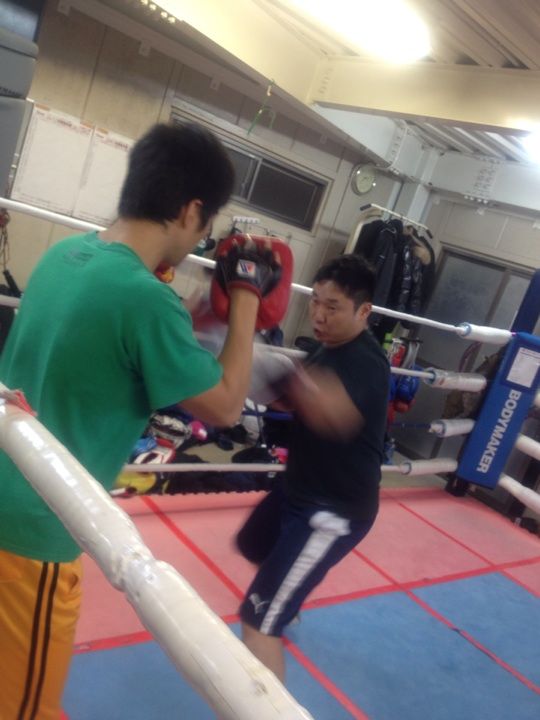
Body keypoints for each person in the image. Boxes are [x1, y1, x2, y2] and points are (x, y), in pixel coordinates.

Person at [0, 122, 281, 719]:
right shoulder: (145, 301)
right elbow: (226, 405)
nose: (201, 237)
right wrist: (247, 297)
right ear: (190, 210)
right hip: (32, 538)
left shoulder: (66, 255)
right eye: (205, 224)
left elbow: (116, 340)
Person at [236, 253, 391, 682]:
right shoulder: (326, 347)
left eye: (333, 307)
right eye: (315, 302)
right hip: (298, 490)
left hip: (332, 512)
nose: (319, 315)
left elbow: (333, 414)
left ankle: (269, 707)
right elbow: (295, 401)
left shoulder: (367, 362)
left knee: (257, 621)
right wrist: (243, 367)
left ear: (364, 311)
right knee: (252, 544)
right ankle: (286, 600)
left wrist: (263, 360)